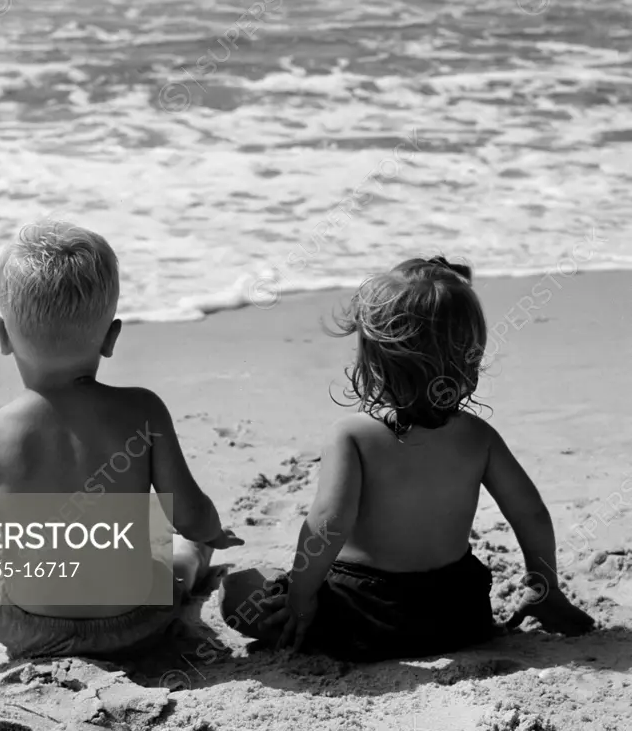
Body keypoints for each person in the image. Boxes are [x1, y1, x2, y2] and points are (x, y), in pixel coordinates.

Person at [0, 219, 241, 669]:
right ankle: (194, 561)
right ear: (111, 337)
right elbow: (189, 514)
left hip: (31, 633)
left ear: (3, 336)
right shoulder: (144, 412)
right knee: (177, 564)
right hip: (134, 625)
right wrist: (209, 535)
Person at [219, 256, 593, 659]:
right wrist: (545, 588)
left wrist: (301, 598)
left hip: (363, 614)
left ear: (373, 359)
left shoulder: (352, 435)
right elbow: (531, 513)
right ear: (469, 355)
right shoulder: (479, 437)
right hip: (459, 615)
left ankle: (309, 628)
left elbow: (328, 525)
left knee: (237, 590)